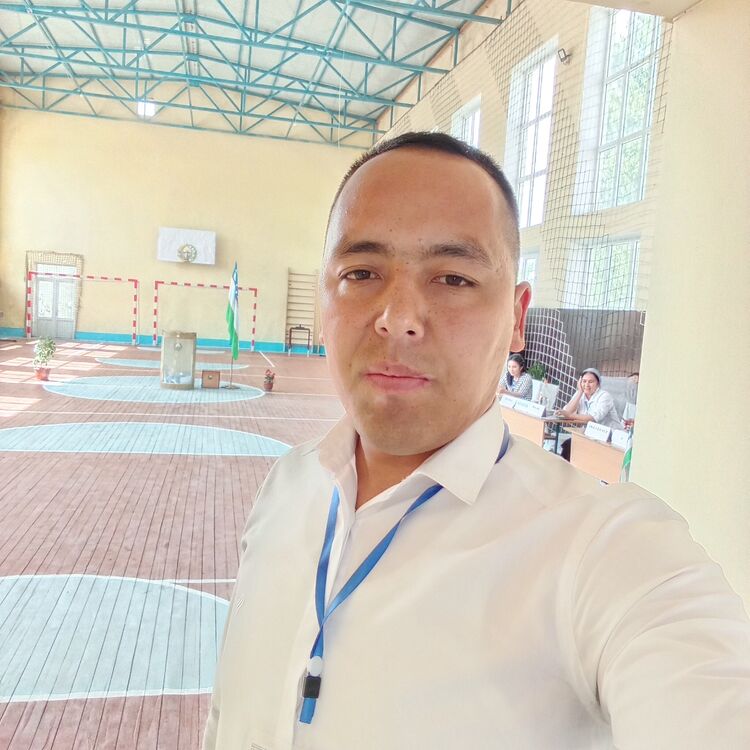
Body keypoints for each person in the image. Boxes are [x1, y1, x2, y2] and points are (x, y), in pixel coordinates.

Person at [204, 133, 750, 750]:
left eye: (453, 278)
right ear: (325, 296)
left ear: (517, 318)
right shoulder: (288, 485)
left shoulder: (601, 549)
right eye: (361, 272)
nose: (398, 318)